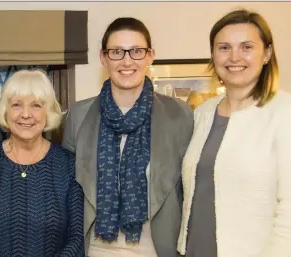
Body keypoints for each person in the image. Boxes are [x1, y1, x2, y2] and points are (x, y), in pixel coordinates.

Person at [177, 9, 291, 257]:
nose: (234, 57)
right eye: (224, 47)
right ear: (213, 55)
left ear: (267, 54)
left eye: (246, 46)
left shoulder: (289, 111)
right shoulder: (203, 113)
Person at [62, 17, 194, 257]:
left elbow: (188, 191)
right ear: (103, 58)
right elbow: (68, 192)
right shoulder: (79, 116)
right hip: (94, 249)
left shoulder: (179, 114)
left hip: (157, 249)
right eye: (116, 52)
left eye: (136, 51)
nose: (126, 61)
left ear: (150, 55)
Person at [0, 69, 84, 256]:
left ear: (47, 112)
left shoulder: (67, 165)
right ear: (5, 111)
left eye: (36, 105)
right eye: (16, 105)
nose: (26, 114)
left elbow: (77, 237)